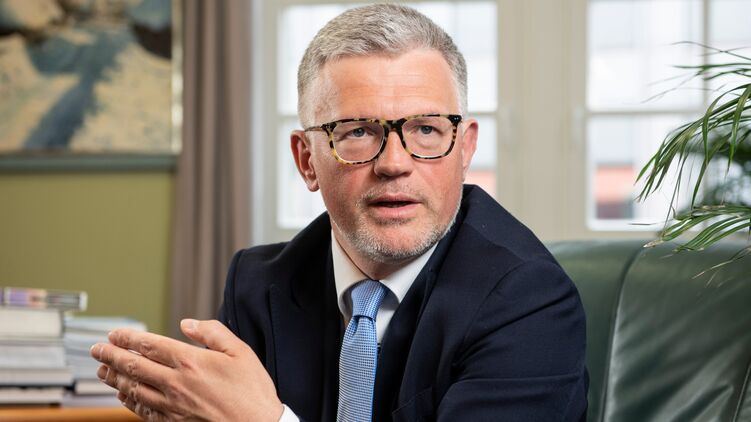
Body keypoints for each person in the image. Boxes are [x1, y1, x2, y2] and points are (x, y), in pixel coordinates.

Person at [91, 4, 588, 421]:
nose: (394, 163)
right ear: (307, 160)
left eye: (426, 130)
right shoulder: (257, 286)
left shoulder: (531, 301)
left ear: (464, 148)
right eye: (358, 132)